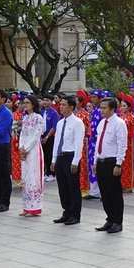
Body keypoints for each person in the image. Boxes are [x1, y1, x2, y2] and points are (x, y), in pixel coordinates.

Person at [93, 98, 128, 234]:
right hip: (101, 161)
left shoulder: (119, 124)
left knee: (114, 192)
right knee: (105, 192)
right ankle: (110, 218)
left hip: (112, 162)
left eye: (104, 108)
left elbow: (122, 145)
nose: (101, 110)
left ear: (113, 109)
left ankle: (118, 221)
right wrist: (95, 161)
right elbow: (98, 143)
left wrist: (118, 164)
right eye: (100, 108)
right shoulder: (102, 123)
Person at [51, 96, 85, 226]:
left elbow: (78, 144)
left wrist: (75, 161)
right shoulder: (60, 123)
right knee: (62, 186)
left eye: (64, 105)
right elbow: (57, 142)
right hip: (61, 156)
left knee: (73, 187)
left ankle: (75, 214)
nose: (61, 107)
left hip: (71, 156)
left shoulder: (77, 122)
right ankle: (66, 211)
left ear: (71, 107)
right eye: (61, 104)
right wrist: (54, 159)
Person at [18, 95, 45, 217]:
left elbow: (36, 136)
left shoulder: (38, 118)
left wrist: (26, 149)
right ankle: (27, 207)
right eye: (24, 103)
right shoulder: (26, 118)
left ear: (34, 104)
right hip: (25, 150)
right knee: (26, 177)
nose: (25, 105)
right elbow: (22, 134)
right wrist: (21, 148)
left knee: (34, 177)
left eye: (28, 102)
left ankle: (35, 207)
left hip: (34, 150)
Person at [118, 95, 134, 192]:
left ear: (129, 107)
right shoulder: (120, 116)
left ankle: (128, 185)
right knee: (121, 163)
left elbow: (133, 132)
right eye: (121, 106)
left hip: (129, 143)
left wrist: (132, 143)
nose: (122, 108)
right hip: (120, 143)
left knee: (128, 165)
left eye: (124, 106)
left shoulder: (132, 118)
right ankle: (121, 184)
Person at [40, 94, 59, 183]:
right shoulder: (41, 112)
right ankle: (45, 172)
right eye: (44, 100)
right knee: (43, 155)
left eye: (47, 100)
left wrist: (47, 137)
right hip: (41, 135)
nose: (45, 102)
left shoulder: (54, 113)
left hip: (50, 136)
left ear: (51, 102)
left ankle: (52, 173)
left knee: (49, 155)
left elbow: (54, 126)